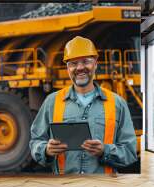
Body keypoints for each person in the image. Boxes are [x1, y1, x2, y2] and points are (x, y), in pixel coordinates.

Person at [29, 36, 137, 175]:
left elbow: (130, 151)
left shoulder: (117, 103)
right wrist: (45, 150)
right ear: (67, 67)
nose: (80, 68)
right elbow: (35, 141)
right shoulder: (52, 102)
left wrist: (105, 150)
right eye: (73, 63)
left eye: (86, 61)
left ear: (96, 64)